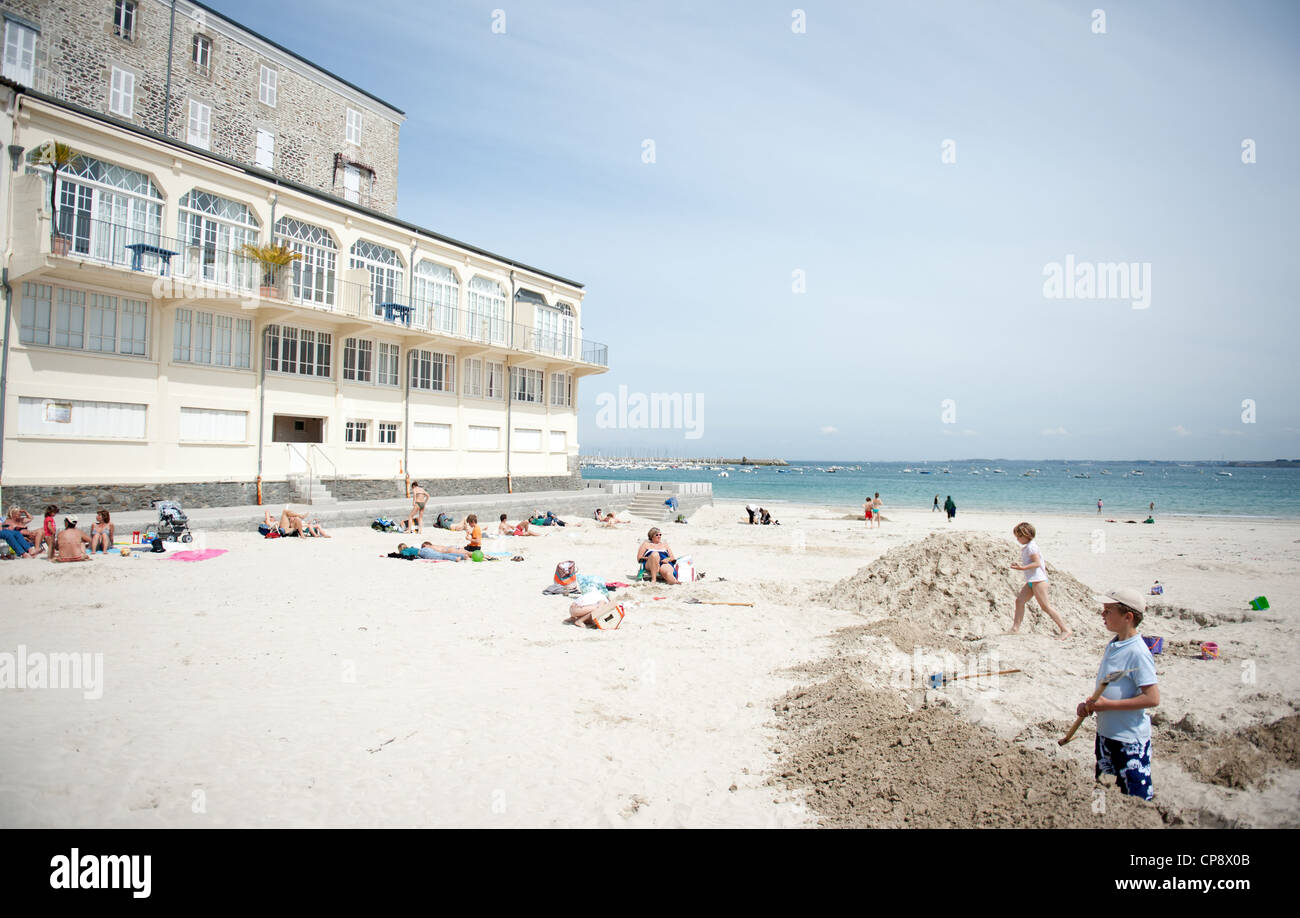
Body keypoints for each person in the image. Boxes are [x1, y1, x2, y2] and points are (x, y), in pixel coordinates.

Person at [1076, 588, 1159, 802]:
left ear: (1127, 617)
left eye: (1108, 611)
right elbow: (1109, 687)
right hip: (1106, 736)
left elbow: (1152, 698)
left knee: (1135, 799)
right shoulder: (1114, 645)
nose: (1102, 615)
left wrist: (1108, 705)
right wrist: (1091, 705)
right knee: (1105, 794)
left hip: (1129, 741)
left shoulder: (1138, 653)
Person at [1007, 522, 1072, 639]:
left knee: (1045, 606)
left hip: (1039, 580)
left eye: (1019, 536)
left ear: (1027, 535)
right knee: (1019, 601)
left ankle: (1065, 629)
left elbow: (1036, 563)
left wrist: (1022, 568)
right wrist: (1021, 565)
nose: (1017, 539)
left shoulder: (1032, 547)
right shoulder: (1027, 547)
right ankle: (1015, 628)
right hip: (1032, 580)